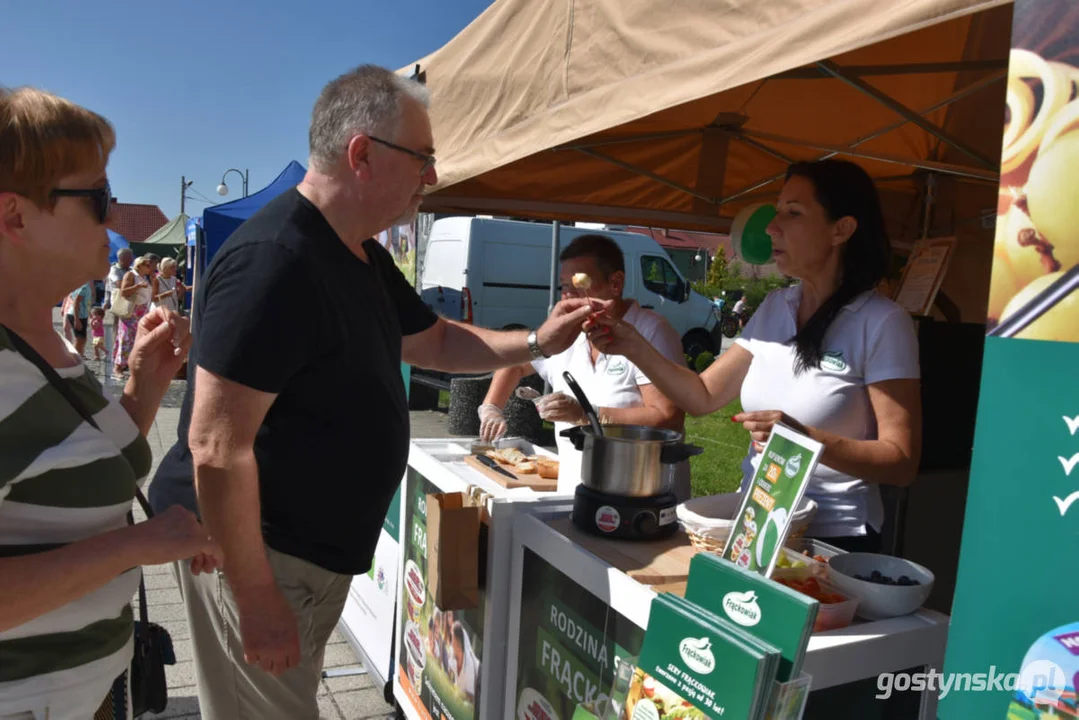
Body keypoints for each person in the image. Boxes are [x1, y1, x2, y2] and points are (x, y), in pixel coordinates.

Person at [149, 64, 594, 720]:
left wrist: (535, 344)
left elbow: (435, 341)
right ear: (361, 153)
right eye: (423, 159)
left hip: (300, 560)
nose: (432, 178)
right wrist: (255, 596)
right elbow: (215, 448)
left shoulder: (355, 253)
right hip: (262, 557)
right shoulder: (275, 260)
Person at [0, 86, 221, 720]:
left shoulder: (40, 337)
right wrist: (135, 545)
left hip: (88, 688)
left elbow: (61, 463)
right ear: (14, 217)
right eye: (97, 197)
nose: (114, 213)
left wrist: (144, 386)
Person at [590, 159, 921, 552]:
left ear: (841, 229)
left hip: (834, 541)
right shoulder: (776, 307)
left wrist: (805, 439)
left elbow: (901, 461)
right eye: (778, 210)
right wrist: (632, 345)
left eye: (793, 213)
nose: (771, 226)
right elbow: (702, 396)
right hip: (758, 524)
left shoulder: (882, 322)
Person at [477, 234, 689, 499]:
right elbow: (517, 362)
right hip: (576, 492)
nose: (568, 296)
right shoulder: (571, 333)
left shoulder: (651, 331)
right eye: (563, 285)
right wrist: (491, 408)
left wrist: (586, 414)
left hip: (640, 492)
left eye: (579, 283)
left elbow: (668, 417)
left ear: (615, 283)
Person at [112, 255, 152, 379]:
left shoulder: (144, 277)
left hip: (142, 312)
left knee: (137, 340)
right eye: (147, 265)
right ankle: (118, 367)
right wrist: (138, 286)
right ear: (140, 265)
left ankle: (131, 365)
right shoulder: (131, 275)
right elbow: (124, 292)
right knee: (125, 339)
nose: (150, 268)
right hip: (131, 312)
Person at [450, 622, 478, 705]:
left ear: (458, 642)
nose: (451, 643)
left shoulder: (469, 667)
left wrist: (460, 695)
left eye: (453, 639)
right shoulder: (453, 656)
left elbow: (472, 698)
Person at [65, 281, 92, 356]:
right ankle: (74, 358)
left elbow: (71, 297)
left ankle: (78, 357)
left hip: (81, 314)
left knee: (82, 339)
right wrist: (77, 320)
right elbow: (76, 302)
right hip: (78, 315)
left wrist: (89, 313)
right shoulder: (84, 287)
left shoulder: (79, 285)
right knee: (79, 339)